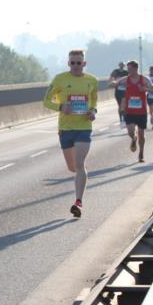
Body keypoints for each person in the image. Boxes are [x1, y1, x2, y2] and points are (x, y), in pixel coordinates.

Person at [43, 49, 99, 218]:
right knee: (72, 167)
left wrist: (93, 111)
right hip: (66, 129)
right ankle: (79, 179)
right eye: (73, 63)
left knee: (80, 164)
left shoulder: (92, 80)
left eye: (79, 62)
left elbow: (94, 102)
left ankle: (78, 201)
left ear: (84, 63)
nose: (76, 66)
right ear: (69, 63)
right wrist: (61, 107)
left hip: (84, 127)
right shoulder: (60, 79)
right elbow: (46, 101)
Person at [117, 61, 153, 163]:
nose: (128, 71)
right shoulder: (126, 79)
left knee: (141, 134)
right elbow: (117, 82)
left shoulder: (144, 79)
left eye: (130, 69)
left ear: (136, 68)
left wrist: (145, 89)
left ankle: (141, 153)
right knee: (130, 131)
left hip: (141, 111)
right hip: (129, 111)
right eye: (128, 69)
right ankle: (133, 138)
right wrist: (113, 83)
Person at [109, 61, 128, 126]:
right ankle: (121, 119)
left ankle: (124, 120)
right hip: (118, 91)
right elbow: (111, 79)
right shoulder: (115, 71)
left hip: (125, 91)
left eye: (123, 65)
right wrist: (113, 83)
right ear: (119, 65)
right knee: (120, 106)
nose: (121, 66)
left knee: (123, 106)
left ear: (124, 66)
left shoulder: (126, 72)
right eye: (120, 65)